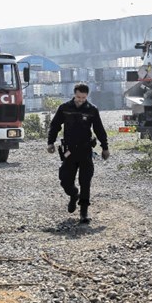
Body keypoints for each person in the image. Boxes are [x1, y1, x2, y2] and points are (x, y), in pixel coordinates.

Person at [47, 82, 109, 224]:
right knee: (65, 179)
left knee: (85, 181)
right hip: (69, 150)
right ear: (74, 94)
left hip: (85, 150)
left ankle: (84, 212)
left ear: (87, 96)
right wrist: (50, 142)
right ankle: (74, 194)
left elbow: (99, 129)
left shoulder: (92, 110)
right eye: (78, 96)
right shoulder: (64, 108)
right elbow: (55, 125)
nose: (80, 99)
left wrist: (105, 147)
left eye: (83, 97)